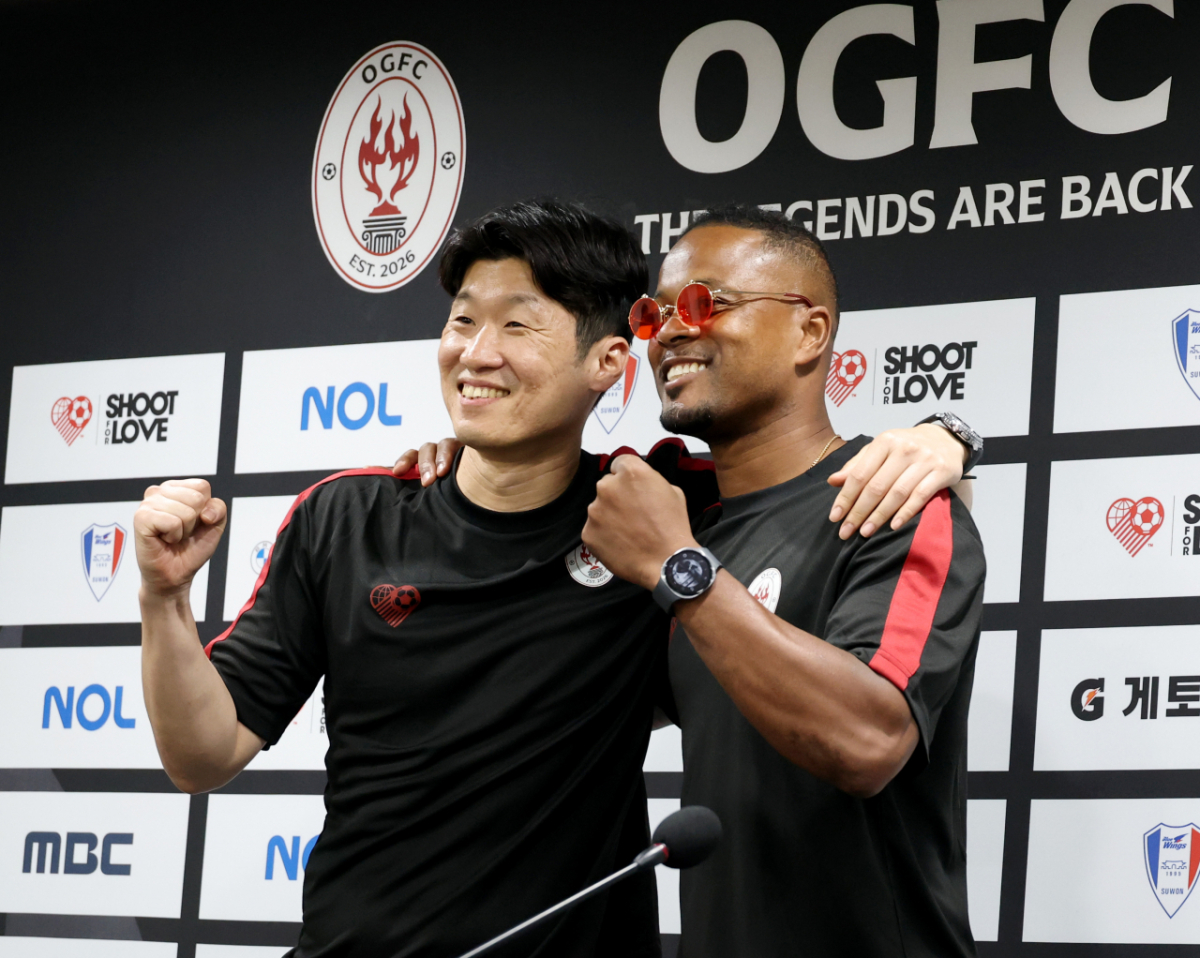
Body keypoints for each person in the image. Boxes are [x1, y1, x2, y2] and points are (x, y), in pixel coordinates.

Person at [135, 201, 973, 958]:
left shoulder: (663, 516)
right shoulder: (352, 516)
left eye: (517, 325)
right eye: (463, 321)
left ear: (607, 362)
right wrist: (164, 598)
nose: (478, 352)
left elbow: (861, 702)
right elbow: (203, 753)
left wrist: (948, 437)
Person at [580, 205, 986, 958]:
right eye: (656, 314)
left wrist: (679, 569)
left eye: (706, 302)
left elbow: (867, 740)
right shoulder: (688, 520)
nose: (671, 332)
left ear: (810, 332)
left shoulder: (893, 503)